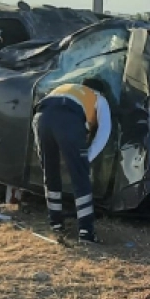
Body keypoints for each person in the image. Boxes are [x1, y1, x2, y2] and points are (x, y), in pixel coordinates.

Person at [32, 77, 113, 244]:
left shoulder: (64, 88)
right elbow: (105, 130)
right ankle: (86, 233)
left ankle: (55, 224)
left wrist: (42, 154)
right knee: (80, 178)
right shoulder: (98, 97)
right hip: (68, 119)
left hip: (41, 118)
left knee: (50, 172)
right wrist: (87, 157)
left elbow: (40, 116)